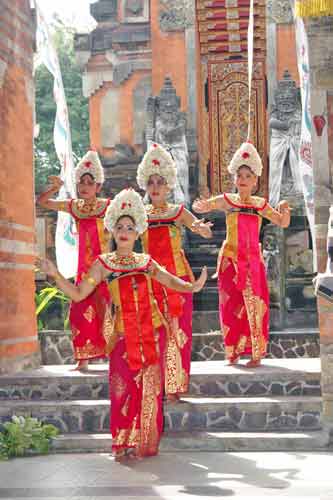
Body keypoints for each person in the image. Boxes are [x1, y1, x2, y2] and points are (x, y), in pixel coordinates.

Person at [37, 188, 207, 461]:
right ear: (112, 231)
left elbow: (169, 281)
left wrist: (191, 286)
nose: (124, 231)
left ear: (138, 231)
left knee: (150, 391)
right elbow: (80, 294)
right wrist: (55, 274)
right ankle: (122, 441)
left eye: (130, 227)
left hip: (152, 333)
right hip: (122, 337)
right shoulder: (104, 264)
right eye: (119, 226)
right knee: (122, 389)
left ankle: (145, 442)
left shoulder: (146, 262)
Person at [193, 142, 291, 367]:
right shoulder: (228, 200)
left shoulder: (260, 204)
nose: (244, 179)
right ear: (235, 179)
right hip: (230, 259)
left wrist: (285, 209)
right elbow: (207, 206)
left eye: (248, 175)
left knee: (255, 305)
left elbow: (281, 222)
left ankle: (256, 353)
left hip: (253, 261)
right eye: (240, 175)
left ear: (255, 180)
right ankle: (233, 351)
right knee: (229, 306)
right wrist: (200, 209)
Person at [137, 143, 213, 401]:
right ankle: (154, 385)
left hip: (177, 281)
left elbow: (199, 227)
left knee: (178, 333)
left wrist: (202, 228)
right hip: (149, 281)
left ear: (169, 184)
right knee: (153, 333)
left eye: (160, 182)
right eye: (151, 182)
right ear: (145, 186)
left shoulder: (178, 211)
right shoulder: (139, 215)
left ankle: (175, 387)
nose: (156, 187)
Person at [37, 151, 111, 371]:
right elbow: (43, 202)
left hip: (104, 270)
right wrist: (55, 187)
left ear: (98, 186)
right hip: (83, 271)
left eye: (90, 182)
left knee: (106, 312)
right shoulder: (74, 206)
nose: (85, 186)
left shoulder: (109, 206)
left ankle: (111, 356)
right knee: (79, 312)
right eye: (82, 182)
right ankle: (83, 359)